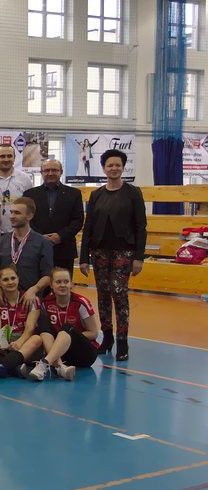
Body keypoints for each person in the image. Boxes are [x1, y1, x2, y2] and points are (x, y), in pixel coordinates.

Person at [79, 149, 146, 362]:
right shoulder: (96, 194)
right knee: (103, 296)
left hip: (124, 252)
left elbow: (141, 226)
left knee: (119, 295)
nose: (114, 168)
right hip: (99, 252)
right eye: (110, 165)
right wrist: (83, 258)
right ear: (104, 168)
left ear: (123, 167)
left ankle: (123, 341)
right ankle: (107, 339)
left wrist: (139, 257)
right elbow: (88, 227)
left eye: (118, 165)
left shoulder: (133, 192)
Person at [28, 267, 102, 381]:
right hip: (62, 354)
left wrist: (68, 336)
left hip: (84, 354)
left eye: (66, 282)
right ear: (51, 285)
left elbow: (94, 333)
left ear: (71, 284)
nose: (62, 285)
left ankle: (44, 364)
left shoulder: (81, 303)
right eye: (58, 282)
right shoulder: (46, 302)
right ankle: (60, 367)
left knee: (66, 328)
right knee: (42, 321)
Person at [0, 265, 43, 380]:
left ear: (18, 279)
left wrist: (19, 342)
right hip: (5, 336)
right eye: (5, 279)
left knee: (37, 338)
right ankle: (13, 367)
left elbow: (30, 327)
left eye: (13, 278)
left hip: (23, 340)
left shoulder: (31, 299)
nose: (10, 282)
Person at [0, 197, 53, 303]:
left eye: (17, 213)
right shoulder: (2, 241)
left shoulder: (43, 242)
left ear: (30, 216)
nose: (12, 216)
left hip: (30, 301)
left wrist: (34, 290)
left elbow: (48, 275)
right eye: (11, 212)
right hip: (4, 301)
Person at [24, 159, 85, 270]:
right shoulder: (29, 194)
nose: (50, 173)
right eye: (47, 170)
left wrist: (60, 236)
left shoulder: (74, 193)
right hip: (37, 248)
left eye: (54, 170)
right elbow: (27, 220)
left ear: (61, 172)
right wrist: (40, 237)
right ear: (41, 173)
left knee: (63, 281)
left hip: (64, 249)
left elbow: (78, 220)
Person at [0, 143, 34, 234]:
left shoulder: (25, 179)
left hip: (19, 232)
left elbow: (29, 207)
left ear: (14, 158)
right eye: (2, 156)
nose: (6, 159)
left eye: (9, 156)